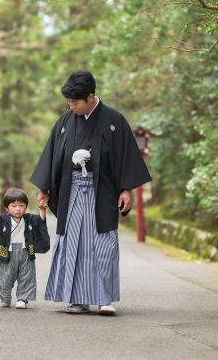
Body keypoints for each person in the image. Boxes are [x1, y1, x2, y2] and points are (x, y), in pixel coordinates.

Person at [30, 70, 151, 315]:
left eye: (75, 102)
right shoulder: (65, 122)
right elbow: (53, 156)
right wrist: (44, 189)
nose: (71, 107)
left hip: (102, 192)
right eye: (68, 102)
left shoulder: (114, 120)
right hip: (72, 191)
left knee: (103, 245)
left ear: (90, 96)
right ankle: (77, 299)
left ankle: (105, 299)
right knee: (72, 243)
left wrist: (127, 189)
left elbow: (126, 156)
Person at [0, 188, 50, 309]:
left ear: (26, 206)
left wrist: (42, 209)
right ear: (6, 208)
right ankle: (5, 298)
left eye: (21, 205)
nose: (18, 209)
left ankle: (22, 299)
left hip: (26, 251)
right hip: (6, 251)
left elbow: (40, 222)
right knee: (4, 277)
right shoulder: (2, 219)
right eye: (14, 206)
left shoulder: (30, 219)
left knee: (27, 276)